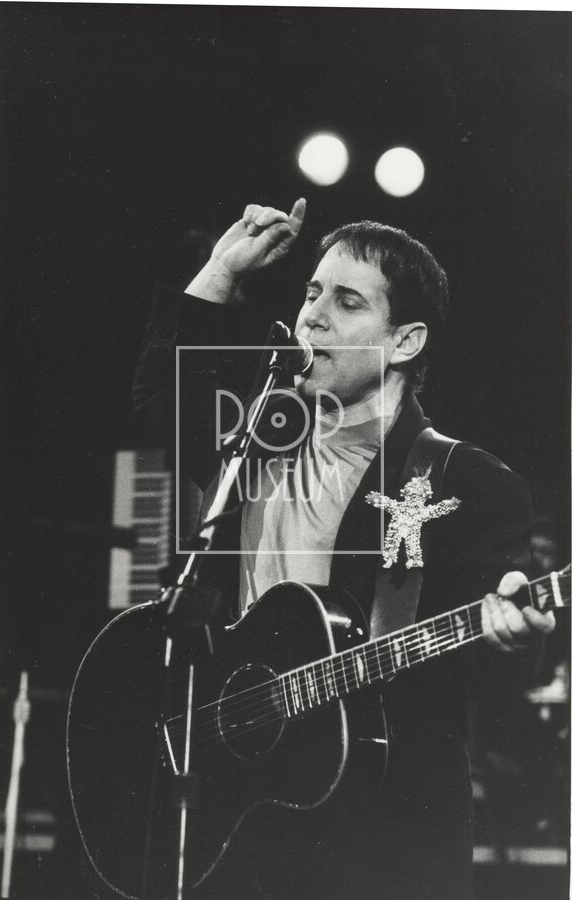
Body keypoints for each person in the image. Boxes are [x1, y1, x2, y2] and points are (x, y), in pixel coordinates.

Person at [133, 199, 556, 900]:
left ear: (405, 341)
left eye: (347, 302)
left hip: (376, 836)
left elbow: (488, 673)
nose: (313, 317)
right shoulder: (257, 437)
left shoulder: (469, 483)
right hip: (235, 816)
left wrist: (513, 635)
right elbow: (158, 398)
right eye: (311, 293)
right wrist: (220, 272)